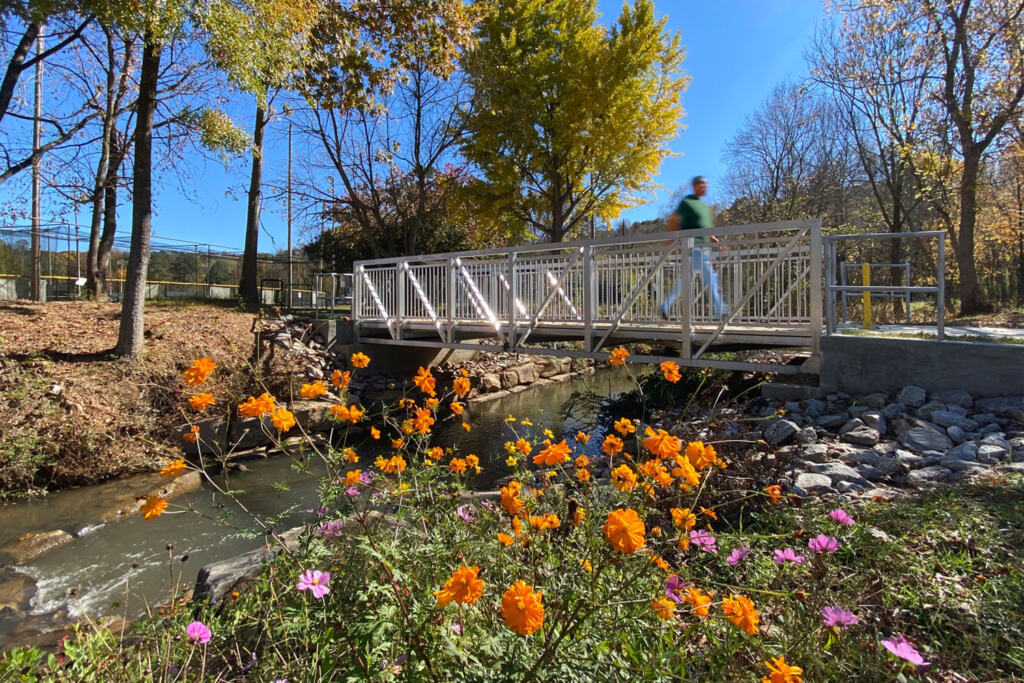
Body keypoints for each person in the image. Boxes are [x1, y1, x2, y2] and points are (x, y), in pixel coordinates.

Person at [660, 176, 727, 320]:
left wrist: (718, 243)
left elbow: (706, 230)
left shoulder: (704, 207)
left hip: (704, 248)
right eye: (703, 184)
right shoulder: (687, 202)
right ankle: (720, 311)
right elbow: (674, 221)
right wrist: (670, 242)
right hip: (693, 247)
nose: (705, 187)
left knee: (688, 280)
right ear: (695, 185)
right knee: (709, 278)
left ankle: (665, 306)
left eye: (706, 184)